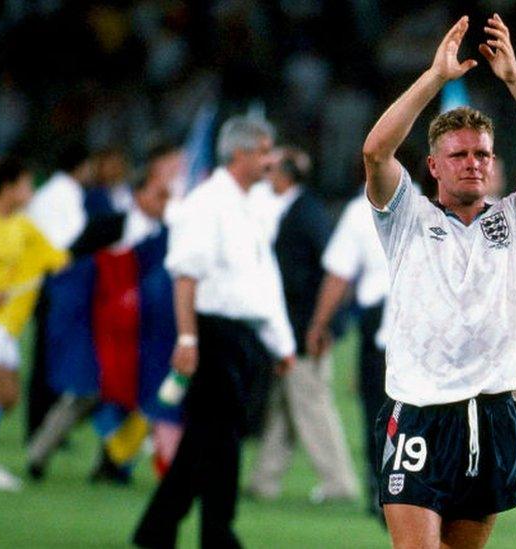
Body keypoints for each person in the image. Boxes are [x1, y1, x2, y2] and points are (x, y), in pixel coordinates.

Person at [361, 14, 516, 548]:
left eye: (482, 154)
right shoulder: (408, 216)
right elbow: (375, 152)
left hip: (492, 414)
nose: (473, 164)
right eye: (458, 155)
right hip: (417, 412)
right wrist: (434, 78)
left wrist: (515, 80)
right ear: (433, 166)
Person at [132, 116, 296, 549]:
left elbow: (262, 279)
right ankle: (217, 533)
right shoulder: (207, 203)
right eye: (262, 152)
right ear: (239, 154)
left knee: (206, 439)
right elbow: (186, 276)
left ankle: (157, 528)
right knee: (222, 441)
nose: (269, 160)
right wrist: (188, 339)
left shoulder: (247, 204)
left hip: (241, 337)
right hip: (213, 334)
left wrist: (281, 342)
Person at [25, 155, 175, 483]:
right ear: (138, 195)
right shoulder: (108, 224)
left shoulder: (169, 234)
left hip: (140, 332)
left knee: (135, 396)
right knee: (85, 391)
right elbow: (70, 265)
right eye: (159, 195)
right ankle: (39, 453)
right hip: (96, 325)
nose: (166, 203)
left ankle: (112, 464)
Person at [245, 146, 360, 504]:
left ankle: (340, 483)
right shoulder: (297, 208)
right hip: (291, 330)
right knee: (283, 406)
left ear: (286, 176)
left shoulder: (306, 214)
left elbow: (335, 272)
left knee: (312, 407)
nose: (267, 176)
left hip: (305, 331)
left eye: (273, 170)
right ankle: (263, 481)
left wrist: (324, 326)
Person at [306, 185, 392, 518]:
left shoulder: (361, 209)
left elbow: (339, 273)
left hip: (379, 314)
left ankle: (381, 487)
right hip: (425, 314)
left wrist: (319, 324)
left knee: (378, 407)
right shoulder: (429, 202)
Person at [0, 157, 70, 490]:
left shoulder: (24, 226)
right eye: (24, 184)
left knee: (7, 396)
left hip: (9, 324)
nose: (30, 191)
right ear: (7, 187)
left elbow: (57, 258)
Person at [24, 143, 95, 438]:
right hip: (55, 280)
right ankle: (40, 424)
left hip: (48, 279)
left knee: (48, 355)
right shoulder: (64, 195)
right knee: (47, 356)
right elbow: (66, 239)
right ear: (80, 166)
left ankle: (44, 424)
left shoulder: (52, 192)